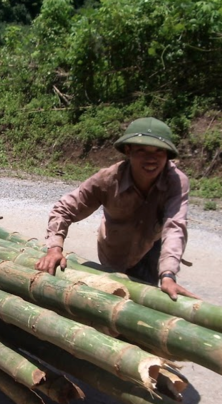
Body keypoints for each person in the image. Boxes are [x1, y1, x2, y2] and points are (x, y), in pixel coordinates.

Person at [35, 117, 197, 301]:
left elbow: (175, 226)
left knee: (144, 301)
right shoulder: (108, 179)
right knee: (111, 299)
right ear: (128, 150)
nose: (151, 158)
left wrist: (168, 274)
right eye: (142, 150)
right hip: (115, 250)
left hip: (152, 246)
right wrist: (55, 248)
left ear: (167, 154)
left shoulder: (175, 181)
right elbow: (64, 209)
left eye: (159, 151)